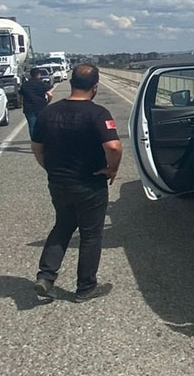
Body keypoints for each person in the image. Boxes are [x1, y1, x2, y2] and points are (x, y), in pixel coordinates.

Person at [31, 64, 122, 302]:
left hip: (59, 182)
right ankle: (85, 287)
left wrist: (51, 169)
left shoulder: (48, 113)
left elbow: (37, 147)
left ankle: (46, 276)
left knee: (62, 226)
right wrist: (111, 169)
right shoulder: (98, 114)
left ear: (71, 83)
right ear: (95, 86)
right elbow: (113, 146)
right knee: (91, 235)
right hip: (90, 183)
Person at [20, 68, 53, 138]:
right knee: (43, 125)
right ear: (39, 75)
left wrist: (21, 103)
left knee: (32, 126)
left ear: (30, 75)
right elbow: (50, 94)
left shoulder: (25, 84)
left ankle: (34, 142)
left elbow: (21, 95)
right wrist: (48, 101)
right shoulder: (41, 84)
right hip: (41, 107)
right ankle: (43, 142)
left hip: (29, 108)